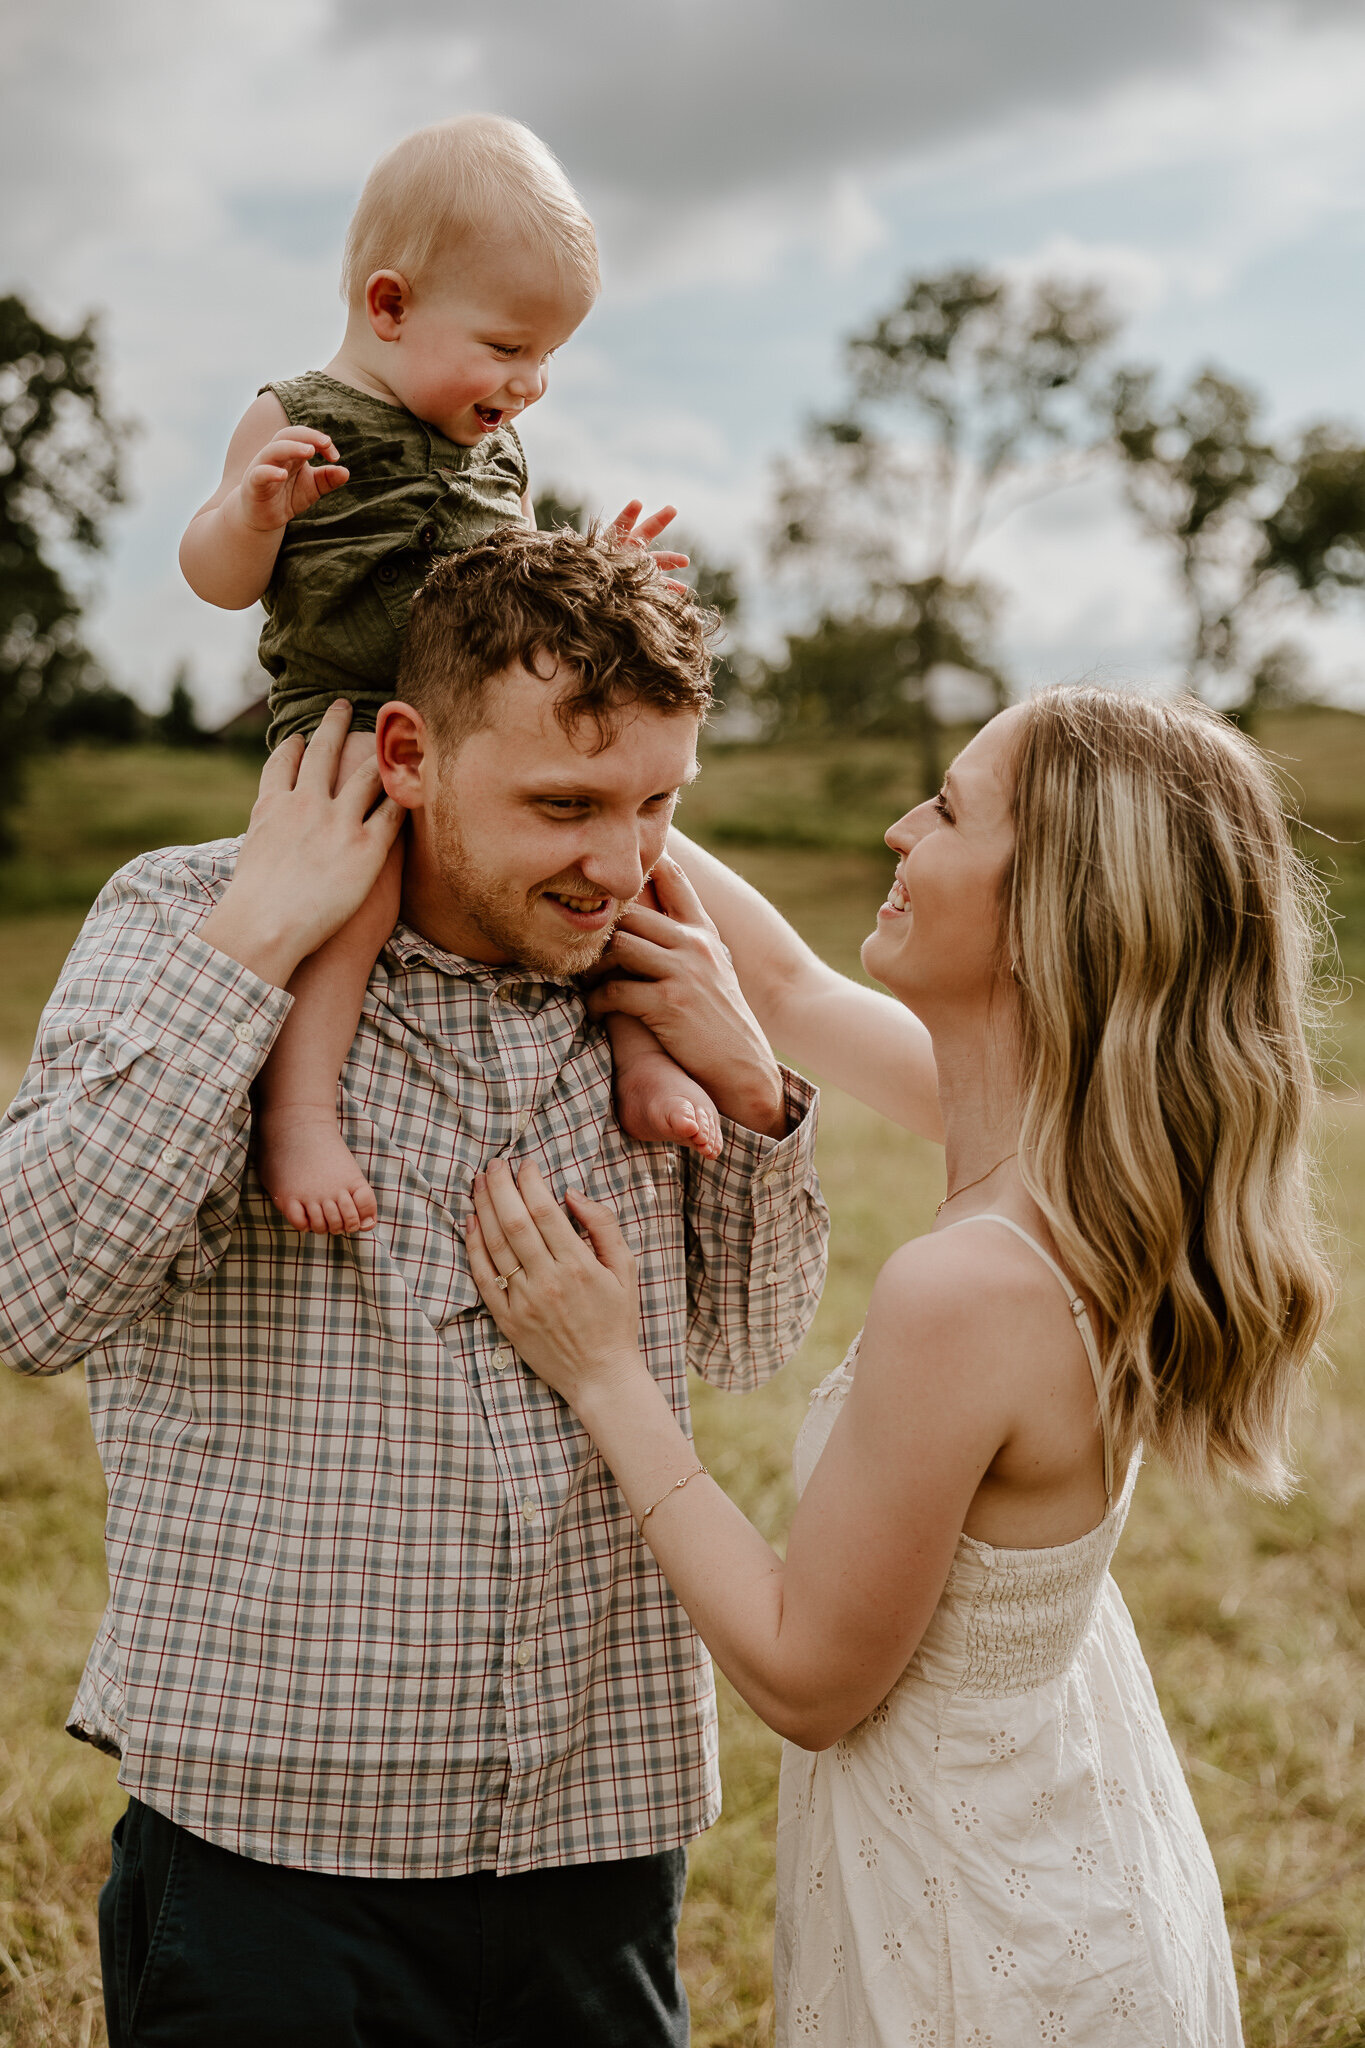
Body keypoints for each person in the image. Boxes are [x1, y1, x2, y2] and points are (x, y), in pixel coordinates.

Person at [0, 527, 839, 2046]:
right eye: (564, 806)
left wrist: (755, 1099)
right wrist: (259, 939)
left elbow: (752, 1338)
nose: (619, 861)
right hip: (275, 1845)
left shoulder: (650, 977)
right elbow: (32, 1298)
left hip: (599, 1827)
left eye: (657, 805)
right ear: (409, 749)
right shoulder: (188, 920)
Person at [469, 685, 1333, 2046]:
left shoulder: (972, 1286)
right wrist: (627, 789)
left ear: (1054, 900)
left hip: (981, 1940)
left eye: (944, 808)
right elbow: (786, 987)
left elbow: (809, 1681)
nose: (895, 828)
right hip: (1053, 1845)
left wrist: (605, 1374)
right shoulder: (1076, 1157)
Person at [180, 112, 722, 1239]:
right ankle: (300, 1106)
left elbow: (521, 595)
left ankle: (643, 1057)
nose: (529, 385)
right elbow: (216, 578)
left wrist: (602, 569)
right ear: (390, 306)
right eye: (509, 348)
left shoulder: (498, 450)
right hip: (343, 724)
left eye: (548, 360)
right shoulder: (298, 417)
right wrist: (251, 513)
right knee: (357, 888)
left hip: (480, 733)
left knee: (619, 873)